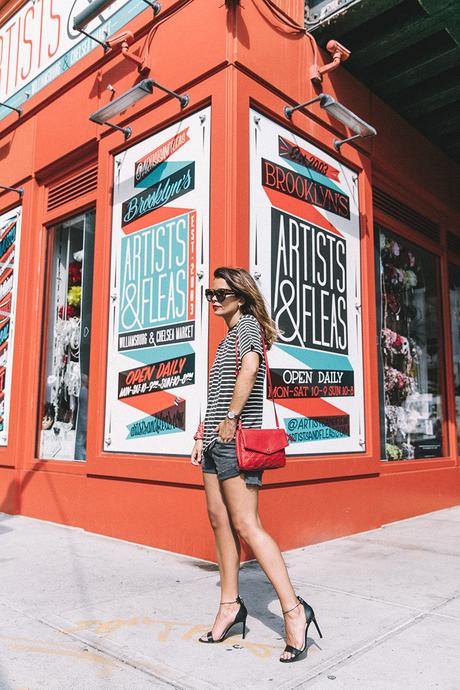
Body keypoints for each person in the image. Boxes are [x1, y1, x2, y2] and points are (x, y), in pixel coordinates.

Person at [191, 267, 322, 663]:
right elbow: (216, 392)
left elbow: (249, 368)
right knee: (219, 520)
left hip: (236, 441)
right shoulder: (226, 336)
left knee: (247, 525)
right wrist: (202, 432)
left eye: (220, 293)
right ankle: (230, 605)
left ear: (241, 297)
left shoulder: (247, 326)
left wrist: (231, 417)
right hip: (216, 442)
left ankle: (294, 610)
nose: (213, 299)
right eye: (209, 293)